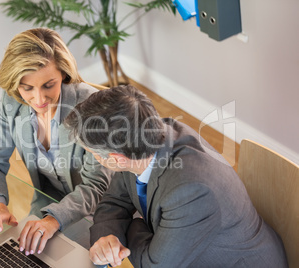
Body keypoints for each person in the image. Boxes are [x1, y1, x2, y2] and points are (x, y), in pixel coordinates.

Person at [64, 85, 288, 268]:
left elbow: (154, 265)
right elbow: (113, 201)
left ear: (116, 159)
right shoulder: (144, 136)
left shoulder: (192, 192)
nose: (94, 158)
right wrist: (107, 236)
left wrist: (131, 225)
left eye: (93, 153)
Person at [0, 28, 113, 257]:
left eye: (49, 85)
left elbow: (96, 186)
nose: (38, 99)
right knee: (21, 258)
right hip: (47, 201)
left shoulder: (91, 107)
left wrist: (54, 220)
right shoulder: (12, 102)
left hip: (98, 209)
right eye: (27, 88)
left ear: (64, 74)